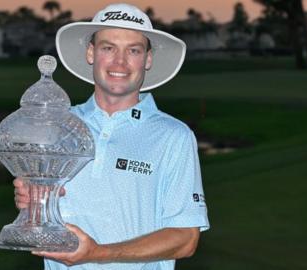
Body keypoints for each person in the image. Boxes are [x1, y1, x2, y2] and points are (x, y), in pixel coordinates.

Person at [13, 3, 209, 269]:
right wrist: (29, 198)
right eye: (108, 47)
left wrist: (98, 253)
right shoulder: (56, 125)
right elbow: (40, 205)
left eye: (134, 50)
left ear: (148, 59)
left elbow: (186, 239)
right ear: (91, 53)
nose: (120, 61)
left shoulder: (174, 136)